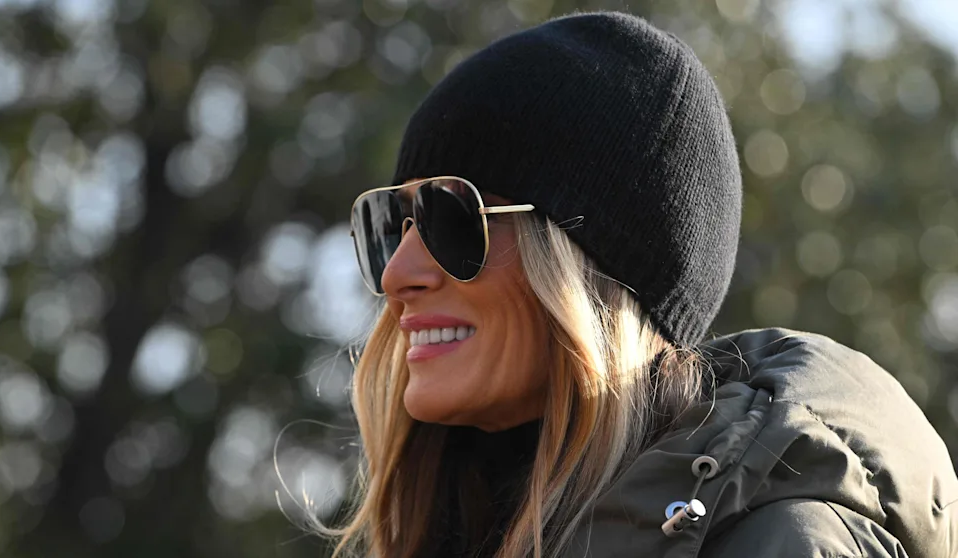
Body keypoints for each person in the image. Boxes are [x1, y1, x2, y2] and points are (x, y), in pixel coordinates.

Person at [325, 11, 958, 558]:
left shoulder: (787, 539)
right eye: (393, 223)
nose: (396, 274)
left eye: (452, 220)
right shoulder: (469, 523)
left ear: (591, 268)